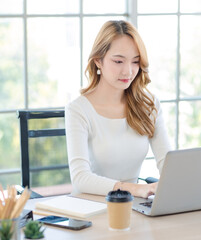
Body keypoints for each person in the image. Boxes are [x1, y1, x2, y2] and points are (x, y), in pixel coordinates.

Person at [65, 20, 171, 198]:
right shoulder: (78, 110)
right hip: (90, 207)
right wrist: (134, 189)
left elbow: (168, 164)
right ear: (98, 60)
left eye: (135, 62)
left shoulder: (148, 104)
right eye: (119, 61)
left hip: (132, 206)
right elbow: (80, 178)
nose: (128, 71)